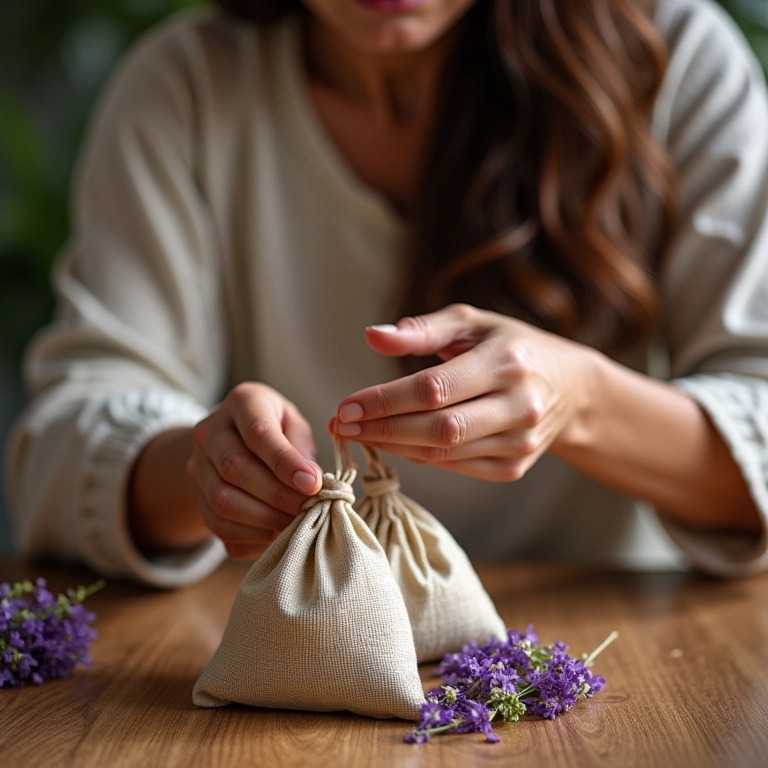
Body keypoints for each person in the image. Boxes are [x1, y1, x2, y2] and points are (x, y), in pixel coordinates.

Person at [5, 0, 768, 587]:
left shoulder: (675, 60)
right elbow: (63, 445)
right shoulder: (186, 91)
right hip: (286, 670)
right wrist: (204, 470)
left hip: (616, 660)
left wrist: (580, 399)